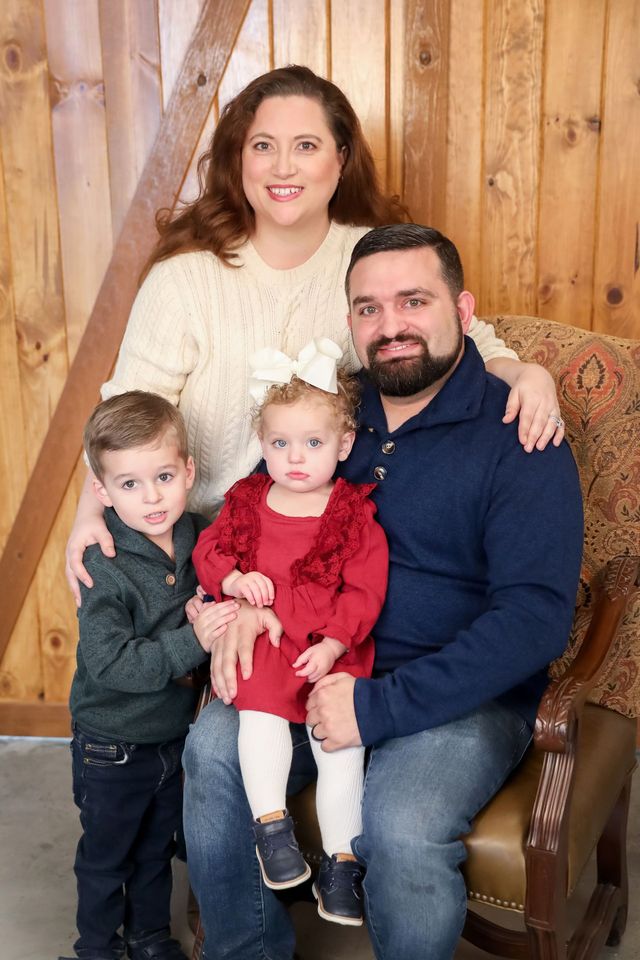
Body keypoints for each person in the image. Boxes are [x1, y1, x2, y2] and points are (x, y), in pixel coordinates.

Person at [180, 224, 584, 960]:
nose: (390, 325)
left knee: (401, 821)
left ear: (463, 312)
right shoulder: (326, 418)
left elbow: (535, 620)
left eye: (412, 301)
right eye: (368, 308)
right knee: (211, 749)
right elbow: (248, 521)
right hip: (303, 660)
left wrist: (377, 706)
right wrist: (231, 607)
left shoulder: (518, 432)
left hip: (459, 694)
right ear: (350, 323)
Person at [65, 65, 566, 604]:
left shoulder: (370, 261)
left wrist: (527, 373)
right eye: (263, 145)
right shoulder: (184, 281)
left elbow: (463, 340)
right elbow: (123, 417)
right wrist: (89, 514)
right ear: (239, 159)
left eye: (306, 145)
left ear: (341, 159)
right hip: (195, 549)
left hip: (313, 551)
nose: (283, 167)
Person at [191, 343, 388, 925]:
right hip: (270, 648)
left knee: (340, 751)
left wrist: (332, 644)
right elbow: (209, 549)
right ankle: (271, 827)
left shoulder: (351, 514)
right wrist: (231, 576)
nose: (295, 458)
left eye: (313, 444)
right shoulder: (249, 500)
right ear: (262, 444)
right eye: (280, 444)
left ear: (344, 445)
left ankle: (342, 863)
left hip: (329, 650)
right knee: (257, 718)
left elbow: (364, 592)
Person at [60, 391, 239, 960]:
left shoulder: (199, 535)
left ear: (188, 470)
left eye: (163, 475)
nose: (152, 496)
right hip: (111, 742)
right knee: (108, 854)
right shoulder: (103, 562)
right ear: (103, 491)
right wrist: (194, 639)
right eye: (130, 484)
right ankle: (97, 947)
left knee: (156, 849)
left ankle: (150, 937)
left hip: (170, 737)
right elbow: (111, 664)